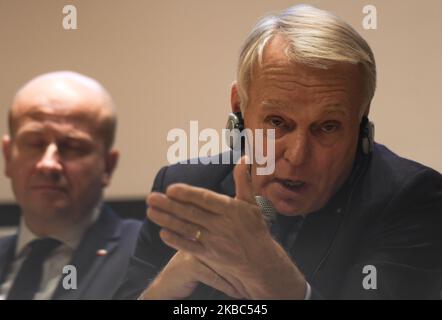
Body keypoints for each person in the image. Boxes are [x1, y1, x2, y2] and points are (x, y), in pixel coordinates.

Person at [116, 5, 442, 299]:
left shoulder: (413, 199)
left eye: (327, 126)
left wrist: (268, 272)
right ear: (239, 107)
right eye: (277, 122)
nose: (298, 155)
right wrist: (168, 287)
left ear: (361, 120)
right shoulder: (187, 188)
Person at [0, 71, 142, 299]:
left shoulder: (148, 258)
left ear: (108, 165)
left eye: (73, 146)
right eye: (34, 143)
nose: (48, 164)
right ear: (8, 157)